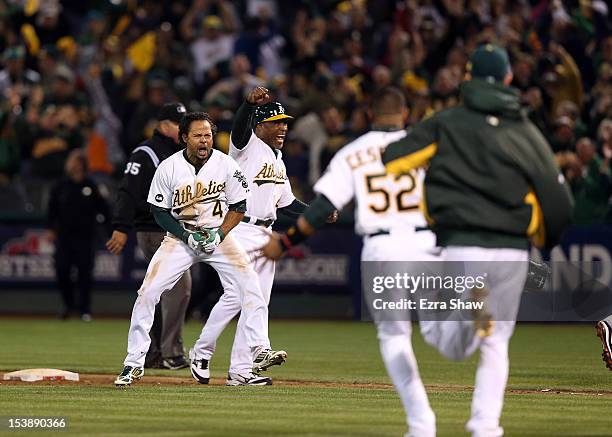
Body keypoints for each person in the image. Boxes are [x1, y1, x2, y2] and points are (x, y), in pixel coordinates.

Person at [381, 45, 572, 436]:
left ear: (466, 78)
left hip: (464, 243)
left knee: (451, 345)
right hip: (512, 252)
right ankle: (486, 427)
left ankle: (454, 307)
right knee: (496, 343)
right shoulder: (527, 132)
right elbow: (559, 202)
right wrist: (544, 239)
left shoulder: (447, 122)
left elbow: (395, 158)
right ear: (507, 80)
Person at [260, 87, 436, 435]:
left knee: (394, 336)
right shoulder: (427, 144)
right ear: (406, 114)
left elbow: (324, 207)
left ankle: (421, 424)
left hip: (382, 250)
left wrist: (287, 240)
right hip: (427, 244)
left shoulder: (352, 152)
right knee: (447, 328)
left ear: (370, 114)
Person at [114, 112, 285, 386]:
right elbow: (158, 211)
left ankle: (260, 349)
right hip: (179, 240)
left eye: (208, 135)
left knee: (250, 285)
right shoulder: (169, 167)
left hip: (219, 236)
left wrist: (220, 233)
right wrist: (184, 234)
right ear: (184, 138)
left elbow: (238, 206)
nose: (205, 140)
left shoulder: (225, 164)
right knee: (148, 293)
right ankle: (133, 363)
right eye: (198, 135)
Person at [189, 86, 333, 386]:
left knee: (248, 299)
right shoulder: (246, 146)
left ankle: (239, 370)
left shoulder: (278, 160)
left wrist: (319, 212)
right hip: (237, 227)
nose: (283, 127)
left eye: (285, 122)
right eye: (276, 122)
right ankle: (246, 350)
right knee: (245, 292)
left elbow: (288, 204)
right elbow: (240, 128)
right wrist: (246, 104)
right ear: (260, 125)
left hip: (265, 233)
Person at [106, 103, 191, 371]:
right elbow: (127, 191)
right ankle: (170, 352)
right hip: (153, 229)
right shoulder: (146, 152)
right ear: (164, 124)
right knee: (178, 286)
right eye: (179, 124)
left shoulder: (179, 152)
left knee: (161, 288)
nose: (183, 129)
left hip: (175, 229)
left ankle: (155, 352)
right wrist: (121, 225)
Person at [46, 149, 109, 321]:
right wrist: (50, 229)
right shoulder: (60, 186)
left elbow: (104, 210)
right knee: (62, 270)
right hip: (64, 237)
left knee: (85, 273)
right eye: (72, 161)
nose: (74, 165)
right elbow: (52, 211)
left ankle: (84, 309)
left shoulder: (91, 186)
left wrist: (110, 231)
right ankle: (69, 306)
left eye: (78, 162)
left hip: (85, 237)